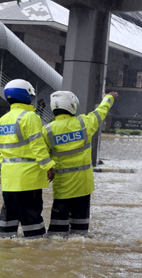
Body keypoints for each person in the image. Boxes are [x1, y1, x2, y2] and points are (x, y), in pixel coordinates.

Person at [41, 90, 117, 235]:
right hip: (84, 187)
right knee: (80, 233)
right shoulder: (84, 123)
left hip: (62, 188)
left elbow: (41, 155)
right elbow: (100, 112)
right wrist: (109, 97)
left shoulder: (47, 131)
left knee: (56, 234)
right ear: (72, 105)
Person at [0, 79, 55, 238]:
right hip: (28, 179)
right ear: (25, 95)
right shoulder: (30, 117)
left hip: (8, 180)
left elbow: (1, 151)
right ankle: (34, 255)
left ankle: (5, 248)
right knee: (32, 220)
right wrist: (49, 166)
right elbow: (38, 146)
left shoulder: (2, 120)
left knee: (8, 218)